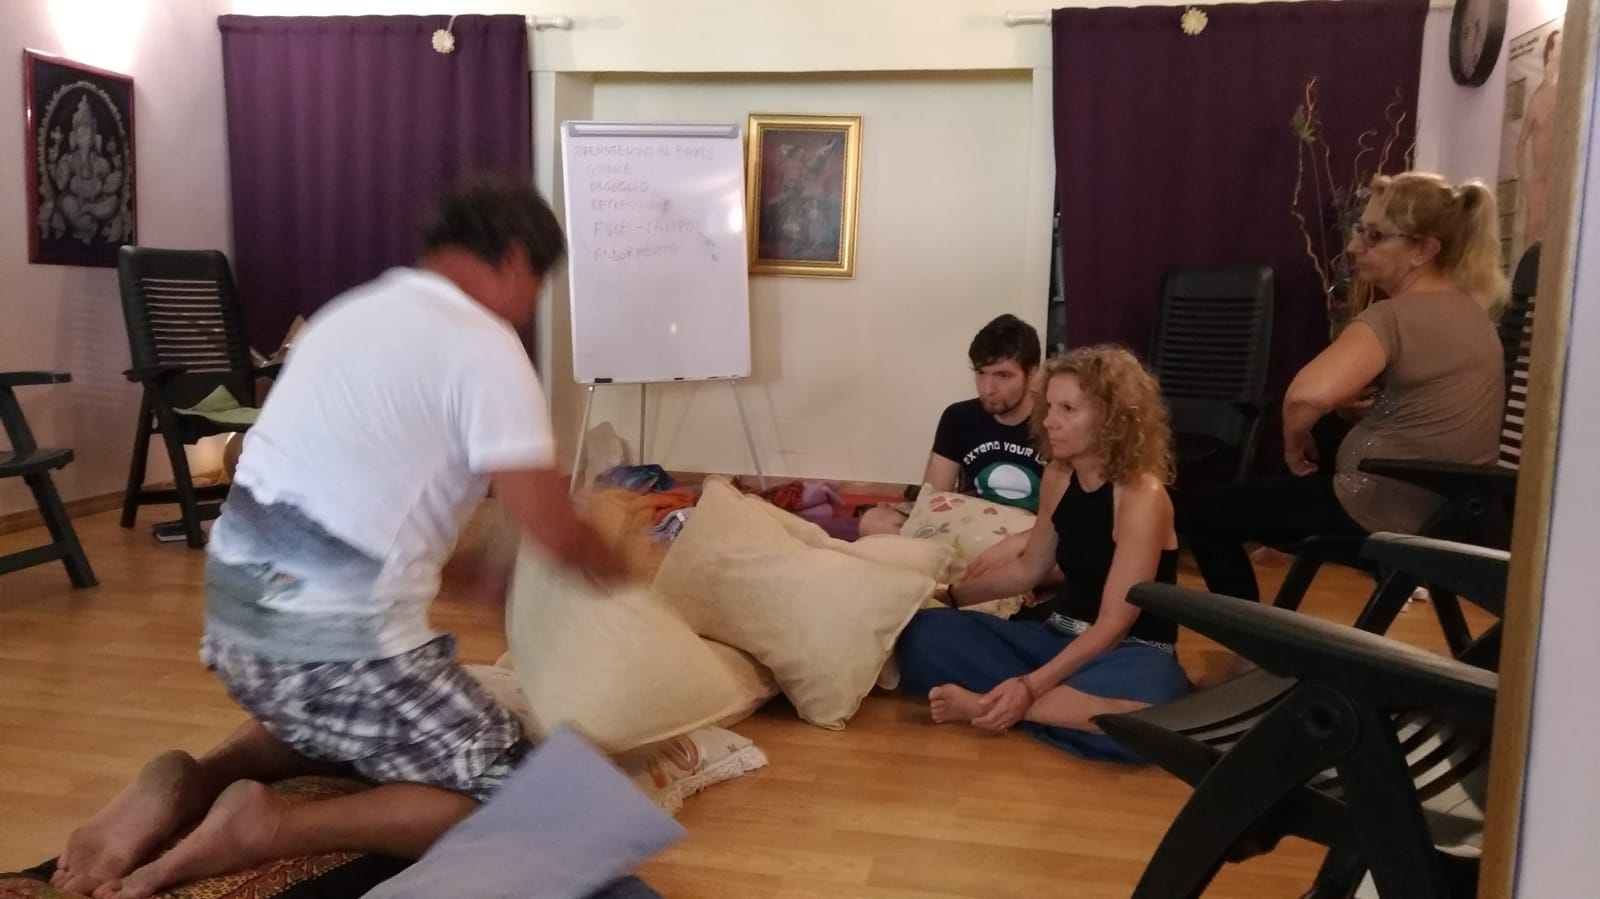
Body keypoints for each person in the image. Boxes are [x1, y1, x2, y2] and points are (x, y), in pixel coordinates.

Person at [50, 175, 646, 899]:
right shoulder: (483, 346)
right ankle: (267, 826)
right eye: (537, 288)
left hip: (238, 633)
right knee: (533, 806)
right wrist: (629, 570)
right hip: (335, 655)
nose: (528, 310)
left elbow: (362, 505)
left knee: (346, 727)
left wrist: (484, 572)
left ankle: (192, 778)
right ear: (518, 259)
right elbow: (556, 532)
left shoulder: (346, 317)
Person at [1181, 171, 1508, 605]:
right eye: (1359, 230)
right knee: (1329, 425)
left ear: (1424, 250)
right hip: (1444, 501)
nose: (1354, 246)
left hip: (1386, 504)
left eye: (1375, 236)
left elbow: (1304, 396)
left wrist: (1292, 447)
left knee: (1204, 514)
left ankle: (1244, 634)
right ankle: (1280, 539)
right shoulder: (1470, 312)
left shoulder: (1395, 317)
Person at [892, 345, 1191, 762]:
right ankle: (1054, 710)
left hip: (1129, 654)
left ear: (1112, 418)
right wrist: (949, 597)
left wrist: (1028, 687)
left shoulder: (1143, 496)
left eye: (1068, 409)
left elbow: (1113, 625)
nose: (1050, 421)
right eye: (1050, 406)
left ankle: (989, 706)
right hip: (1057, 638)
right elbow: (1028, 569)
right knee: (921, 633)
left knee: (1147, 721)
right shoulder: (1058, 475)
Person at [859, 313, 1047, 537]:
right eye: (981, 373)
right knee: (874, 521)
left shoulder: (1053, 421)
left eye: (1003, 376)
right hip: (970, 523)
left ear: (1032, 374)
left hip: (1029, 532)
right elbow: (934, 497)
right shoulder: (958, 417)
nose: (988, 388)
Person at [1516, 28, 1561, 259]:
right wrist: (1525, 184)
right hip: (1538, 185)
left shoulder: (1563, 92)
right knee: (1531, 246)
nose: (1562, 50)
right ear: (1550, 52)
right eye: (1559, 45)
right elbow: (1521, 143)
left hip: (1556, 183)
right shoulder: (1538, 97)